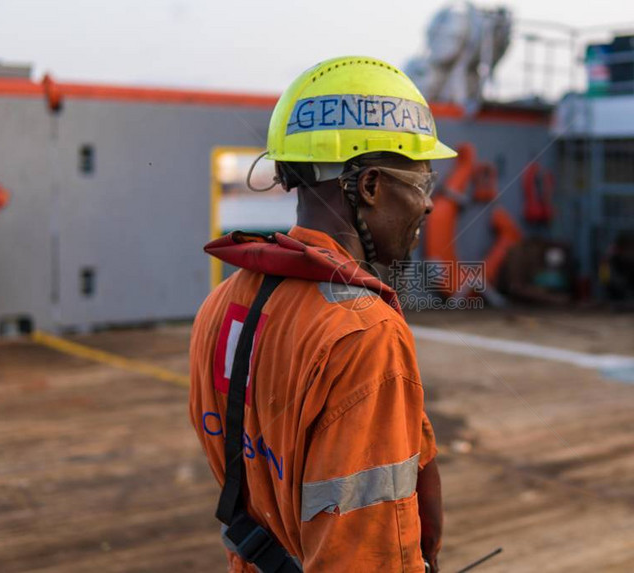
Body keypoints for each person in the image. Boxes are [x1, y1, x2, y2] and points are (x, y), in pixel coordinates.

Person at [189, 56, 457, 572]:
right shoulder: (364, 333)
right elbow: (367, 549)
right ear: (371, 186)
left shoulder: (222, 304)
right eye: (422, 184)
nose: (427, 206)